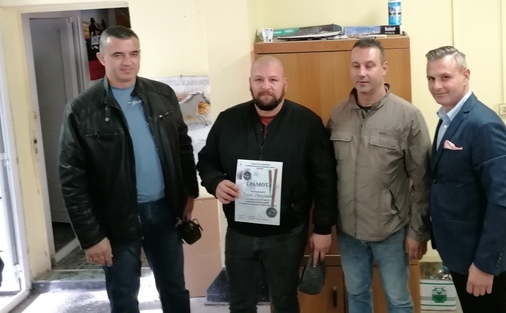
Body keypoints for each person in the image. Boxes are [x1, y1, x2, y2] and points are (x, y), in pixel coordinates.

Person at [58, 26, 198, 313]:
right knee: (123, 298)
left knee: (175, 290)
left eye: (134, 54)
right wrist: (91, 237)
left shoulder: (162, 95)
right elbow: (72, 178)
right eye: (118, 55)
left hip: (164, 212)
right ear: (102, 58)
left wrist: (189, 194)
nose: (128, 62)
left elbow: (182, 146)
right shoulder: (82, 110)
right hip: (116, 219)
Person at [197, 55, 337, 313]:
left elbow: (325, 180)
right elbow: (206, 161)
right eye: (259, 80)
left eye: (273, 80)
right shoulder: (228, 121)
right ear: (250, 83)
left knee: (284, 303)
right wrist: (215, 182)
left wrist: (322, 228)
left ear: (285, 84)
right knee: (240, 304)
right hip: (240, 232)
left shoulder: (308, 123)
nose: (266, 86)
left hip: (287, 234)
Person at [328, 38, 431, 313]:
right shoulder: (338, 115)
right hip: (349, 231)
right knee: (357, 296)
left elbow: (423, 181)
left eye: (369, 65)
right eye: (356, 65)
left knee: (398, 300)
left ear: (384, 68)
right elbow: (328, 174)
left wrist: (418, 232)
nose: (361, 73)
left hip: (391, 230)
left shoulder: (408, 116)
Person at [425, 46, 506, 313]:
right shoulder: (447, 118)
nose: (436, 86)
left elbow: (503, 201)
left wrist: (484, 265)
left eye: (445, 77)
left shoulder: (483, 125)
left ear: (465, 75)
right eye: (431, 78)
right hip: (458, 250)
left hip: (479, 257)